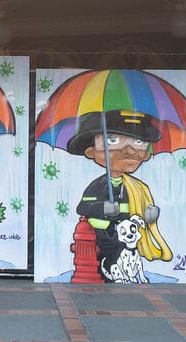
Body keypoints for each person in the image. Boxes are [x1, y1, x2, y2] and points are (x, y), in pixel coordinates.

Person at [70, 110, 172, 282]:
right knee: (111, 262)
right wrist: (103, 208)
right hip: (104, 237)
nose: (130, 150)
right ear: (91, 152)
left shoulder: (139, 188)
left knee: (129, 258)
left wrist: (149, 214)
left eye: (139, 142)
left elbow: (140, 210)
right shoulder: (97, 186)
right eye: (112, 140)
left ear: (146, 155)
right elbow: (82, 207)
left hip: (128, 237)